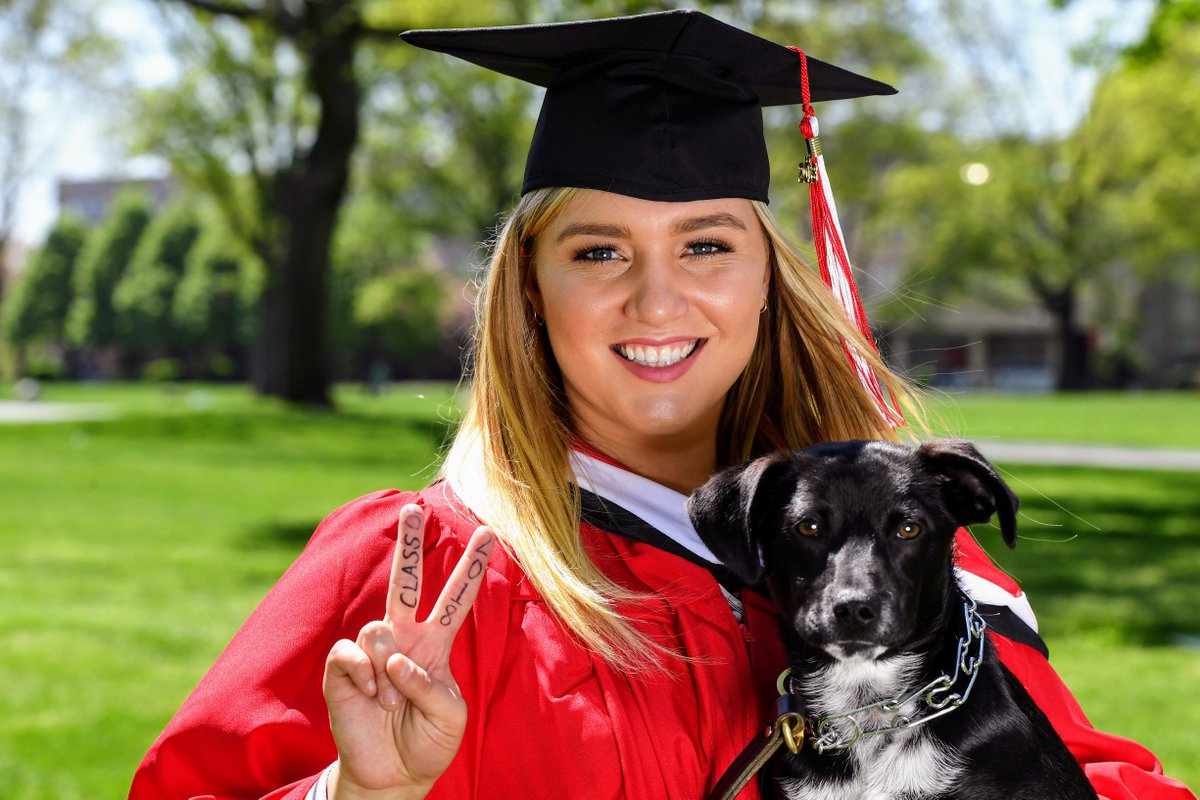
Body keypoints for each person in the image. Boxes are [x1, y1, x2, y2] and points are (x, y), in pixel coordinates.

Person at [130, 10, 1194, 800]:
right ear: (528, 288)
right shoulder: (420, 572)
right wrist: (353, 795)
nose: (656, 296)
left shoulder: (908, 550)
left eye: (707, 244)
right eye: (599, 249)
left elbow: (1095, 773)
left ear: (768, 277)